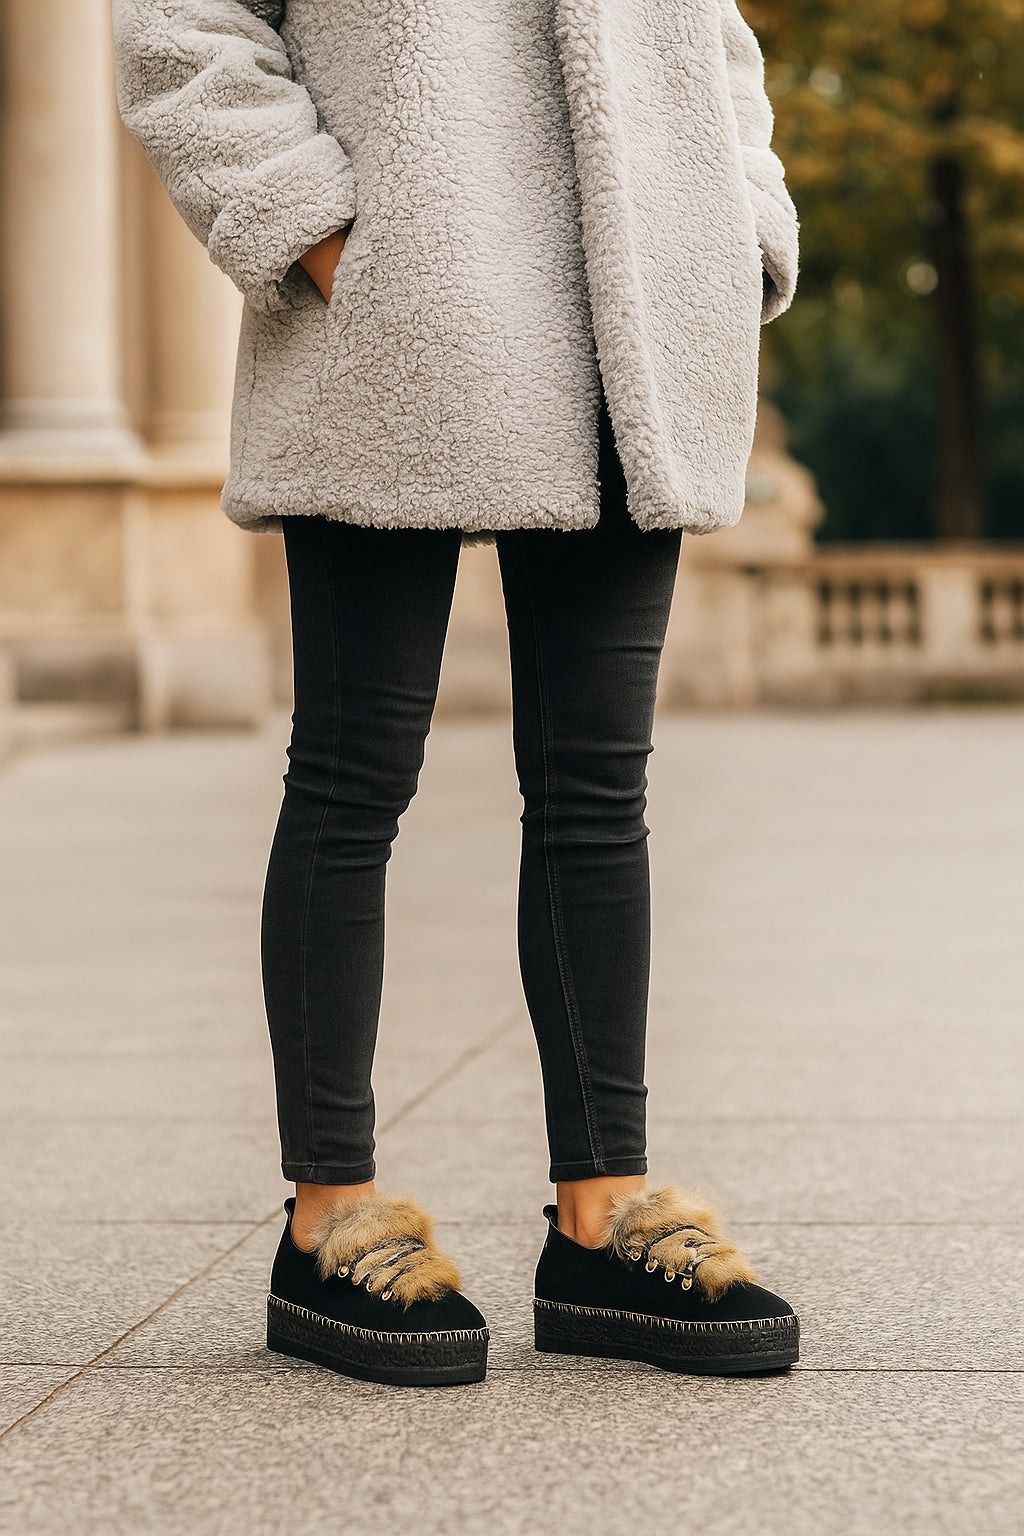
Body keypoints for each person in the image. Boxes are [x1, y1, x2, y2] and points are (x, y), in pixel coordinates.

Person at [114, 0, 801, 1386]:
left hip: (637, 327)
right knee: (355, 773)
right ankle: (327, 1217)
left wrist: (738, 232)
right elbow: (183, 26)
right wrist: (327, 242)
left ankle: (602, 1218)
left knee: (600, 788)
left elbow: (710, 37)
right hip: (395, 323)